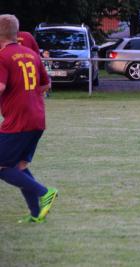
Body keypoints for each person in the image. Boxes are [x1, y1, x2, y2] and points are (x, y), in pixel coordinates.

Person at [0, 14, 58, 223]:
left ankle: (44, 192)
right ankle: (36, 214)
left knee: (2, 167)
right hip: (37, 119)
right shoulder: (31, 54)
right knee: (19, 166)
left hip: (18, 120)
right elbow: (45, 85)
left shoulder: (3, 56)